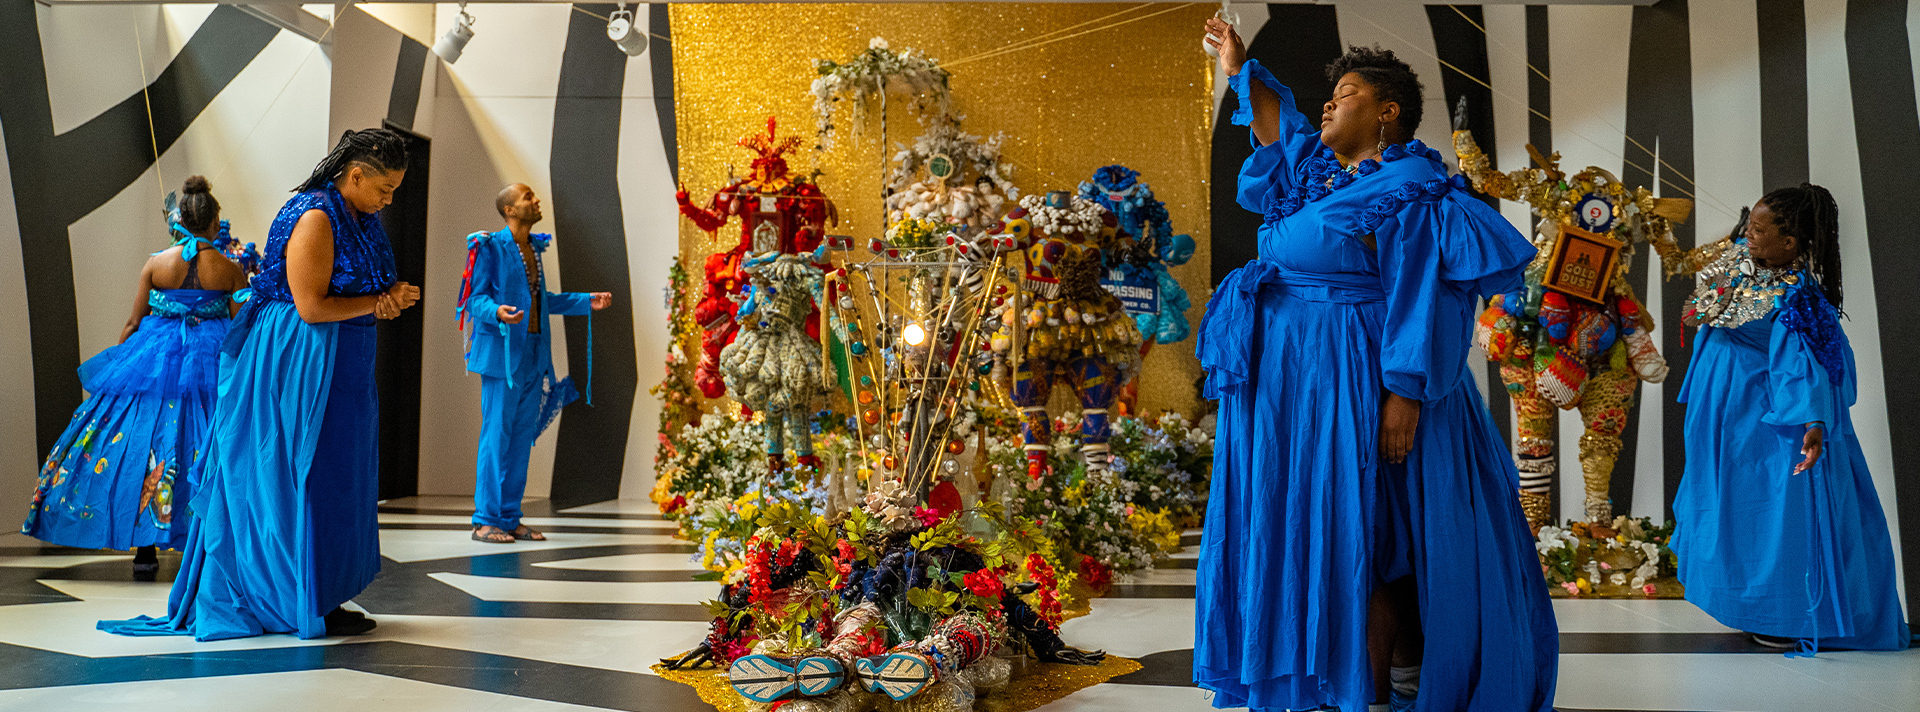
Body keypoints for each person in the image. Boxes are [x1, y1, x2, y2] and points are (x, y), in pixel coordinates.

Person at [1195, 21, 1557, 712]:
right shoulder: (1317, 175)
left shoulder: (1414, 184)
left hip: (1353, 372)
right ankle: (1328, 671)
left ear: (1387, 111)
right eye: (1330, 94)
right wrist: (1238, 63)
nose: (1328, 104)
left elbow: (1426, 293)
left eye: (1346, 93)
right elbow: (1279, 126)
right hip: (1290, 380)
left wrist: (1405, 392)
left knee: (1369, 526)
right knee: (1313, 520)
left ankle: (1383, 679)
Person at [99, 129, 421, 641]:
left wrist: (381, 301)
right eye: (385, 189)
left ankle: (321, 593)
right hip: (301, 358)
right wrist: (379, 303)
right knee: (298, 476)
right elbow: (310, 306)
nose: (389, 199)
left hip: (343, 359)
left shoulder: (361, 215)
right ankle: (288, 596)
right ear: (355, 175)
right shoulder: (316, 215)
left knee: (340, 475)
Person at [1671, 184, 1912, 652]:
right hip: (1722, 412)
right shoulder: (1743, 261)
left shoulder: (1798, 297)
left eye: (1760, 230)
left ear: (1791, 243)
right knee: (1727, 505)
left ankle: (1788, 613)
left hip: (1762, 418)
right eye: (1750, 226)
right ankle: (1748, 606)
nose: (1749, 234)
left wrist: (1813, 423)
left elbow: (1806, 364)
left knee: (1773, 510)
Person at [22, 176, 247, 580]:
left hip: (152, 360)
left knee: (146, 443)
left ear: (181, 220)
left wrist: (120, 366)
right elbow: (242, 326)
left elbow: (133, 321)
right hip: (210, 361)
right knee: (206, 442)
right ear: (215, 223)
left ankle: (145, 548)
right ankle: (205, 542)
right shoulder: (230, 269)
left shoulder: (156, 263)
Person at [455, 183, 611, 544]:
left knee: (521, 438)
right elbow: (473, 300)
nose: (536, 200)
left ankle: (509, 516)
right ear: (510, 209)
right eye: (528, 197)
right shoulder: (489, 246)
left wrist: (586, 301)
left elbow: (542, 301)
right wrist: (495, 311)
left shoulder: (532, 248)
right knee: (497, 435)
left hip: (534, 354)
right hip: (502, 358)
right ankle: (485, 520)